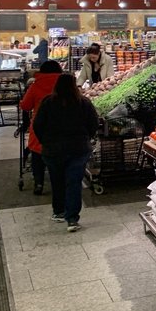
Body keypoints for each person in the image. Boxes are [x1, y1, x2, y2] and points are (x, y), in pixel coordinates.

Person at [32, 73, 98, 231]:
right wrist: (86, 138)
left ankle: (59, 211)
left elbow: (37, 125)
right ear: (74, 86)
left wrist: (44, 141)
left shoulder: (48, 102)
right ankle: (72, 219)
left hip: (53, 150)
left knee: (57, 181)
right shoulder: (84, 103)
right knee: (74, 182)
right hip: (78, 149)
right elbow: (93, 124)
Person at [20, 60, 63, 196]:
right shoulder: (65, 84)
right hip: (63, 125)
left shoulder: (36, 85)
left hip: (41, 126)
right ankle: (60, 181)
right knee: (60, 154)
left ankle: (39, 183)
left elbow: (26, 106)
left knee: (38, 153)